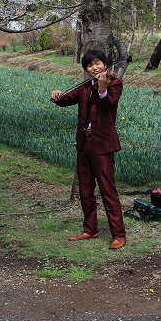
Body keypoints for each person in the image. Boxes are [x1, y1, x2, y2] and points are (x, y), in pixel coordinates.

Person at [51, 49, 126, 249]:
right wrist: (58, 96)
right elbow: (66, 100)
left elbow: (109, 104)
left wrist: (102, 89)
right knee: (85, 190)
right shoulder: (85, 87)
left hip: (102, 145)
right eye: (90, 65)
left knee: (108, 190)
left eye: (98, 63)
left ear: (105, 64)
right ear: (86, 69)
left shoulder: (114, 84)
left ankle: (119, 234)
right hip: (84, 144)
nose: (95, 67)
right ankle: (90, 229)